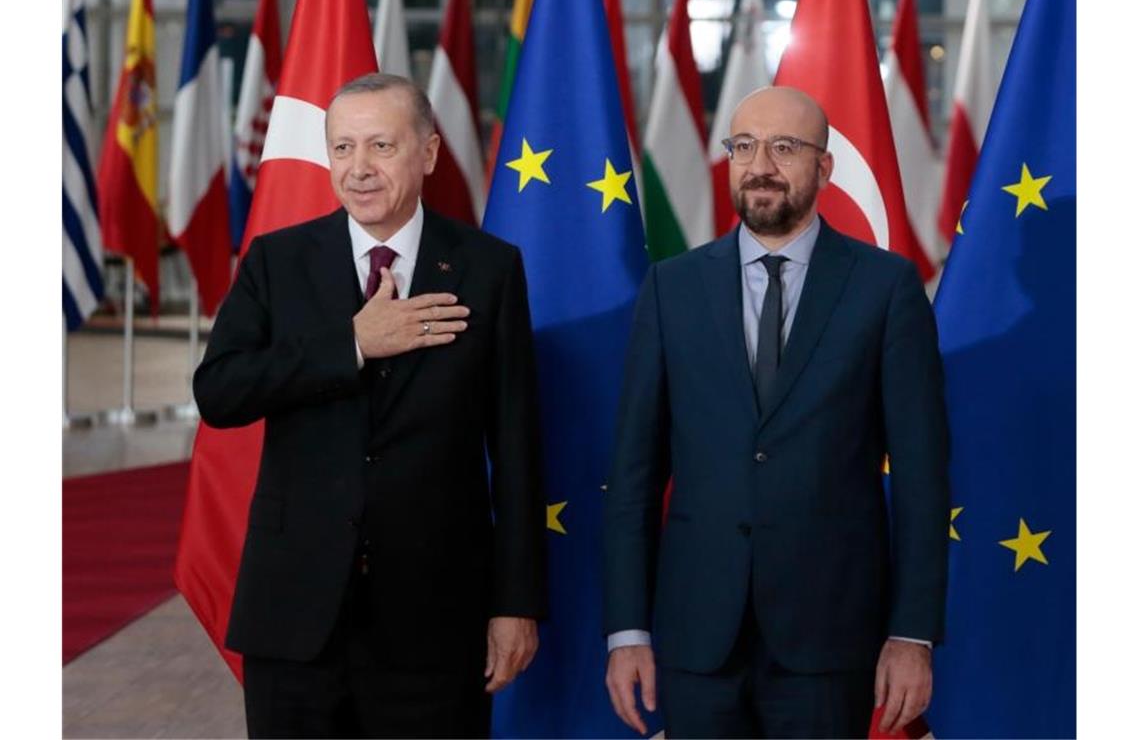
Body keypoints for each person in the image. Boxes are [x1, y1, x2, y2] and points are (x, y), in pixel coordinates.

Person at [194, 73, 547, 739]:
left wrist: (515, 604)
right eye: (342, 148)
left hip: (436, 622)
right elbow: (220, 392)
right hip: (295, 615)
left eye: (381, 146)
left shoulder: (488, 269)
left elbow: (518, 445)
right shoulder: (277, 261)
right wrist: (352, 343)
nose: (358, 169)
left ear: (429, 153)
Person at [602, 86, 949, 739]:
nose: (760, 164)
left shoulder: (886, 288)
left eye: (784, 147)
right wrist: (627, 629)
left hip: (830, 642)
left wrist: (912, 634)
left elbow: (923, 480)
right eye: (743, 146)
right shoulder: (671, 288)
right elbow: (633, 478)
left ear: (824, 168)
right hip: (694, 639)